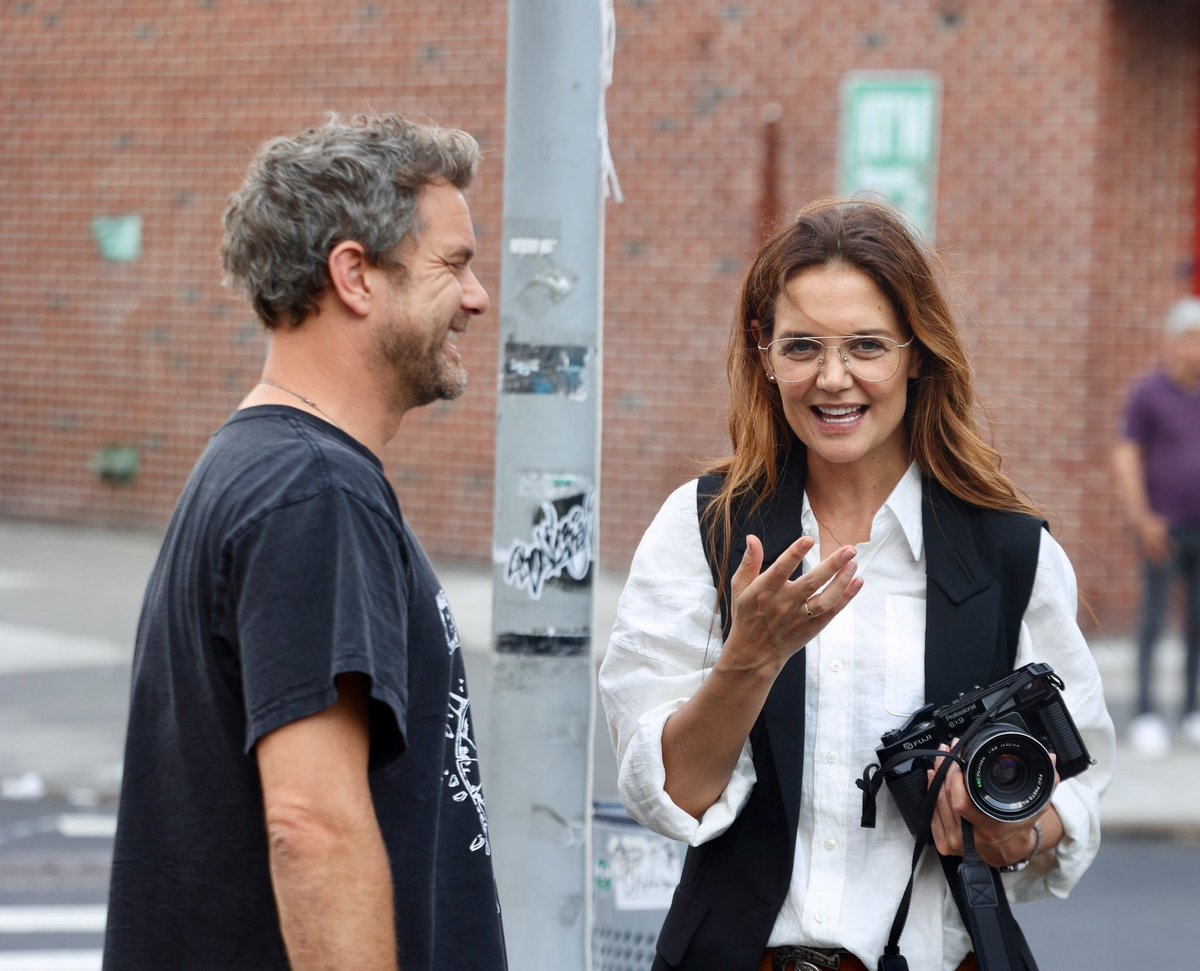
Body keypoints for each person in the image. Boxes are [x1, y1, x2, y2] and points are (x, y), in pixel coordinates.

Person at [599, 198, 1114, 971]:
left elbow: (1080, 784)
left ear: (917, 353)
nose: (833, 379)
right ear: (763, 351)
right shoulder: (704, 528)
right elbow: (671, 795)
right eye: (802, 345)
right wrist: (751, 657)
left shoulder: (1007, 550)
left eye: (867, 345)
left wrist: (1015, 827)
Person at [102, 114, 506, 970]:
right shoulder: (313, 494)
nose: (476, 299)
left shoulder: (261, 469)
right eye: (454, 265)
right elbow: (312, 825)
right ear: (355, 274)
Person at [1113, 295, 1200, 759]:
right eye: (1192, 338)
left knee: (1198, 625)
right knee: (1153, 620)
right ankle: (1145, 712)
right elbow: (1127, 457)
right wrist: (1142, 517)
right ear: (1175, 342)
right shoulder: (1151, 394)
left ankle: (1192, 710)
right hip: (1161, 529)